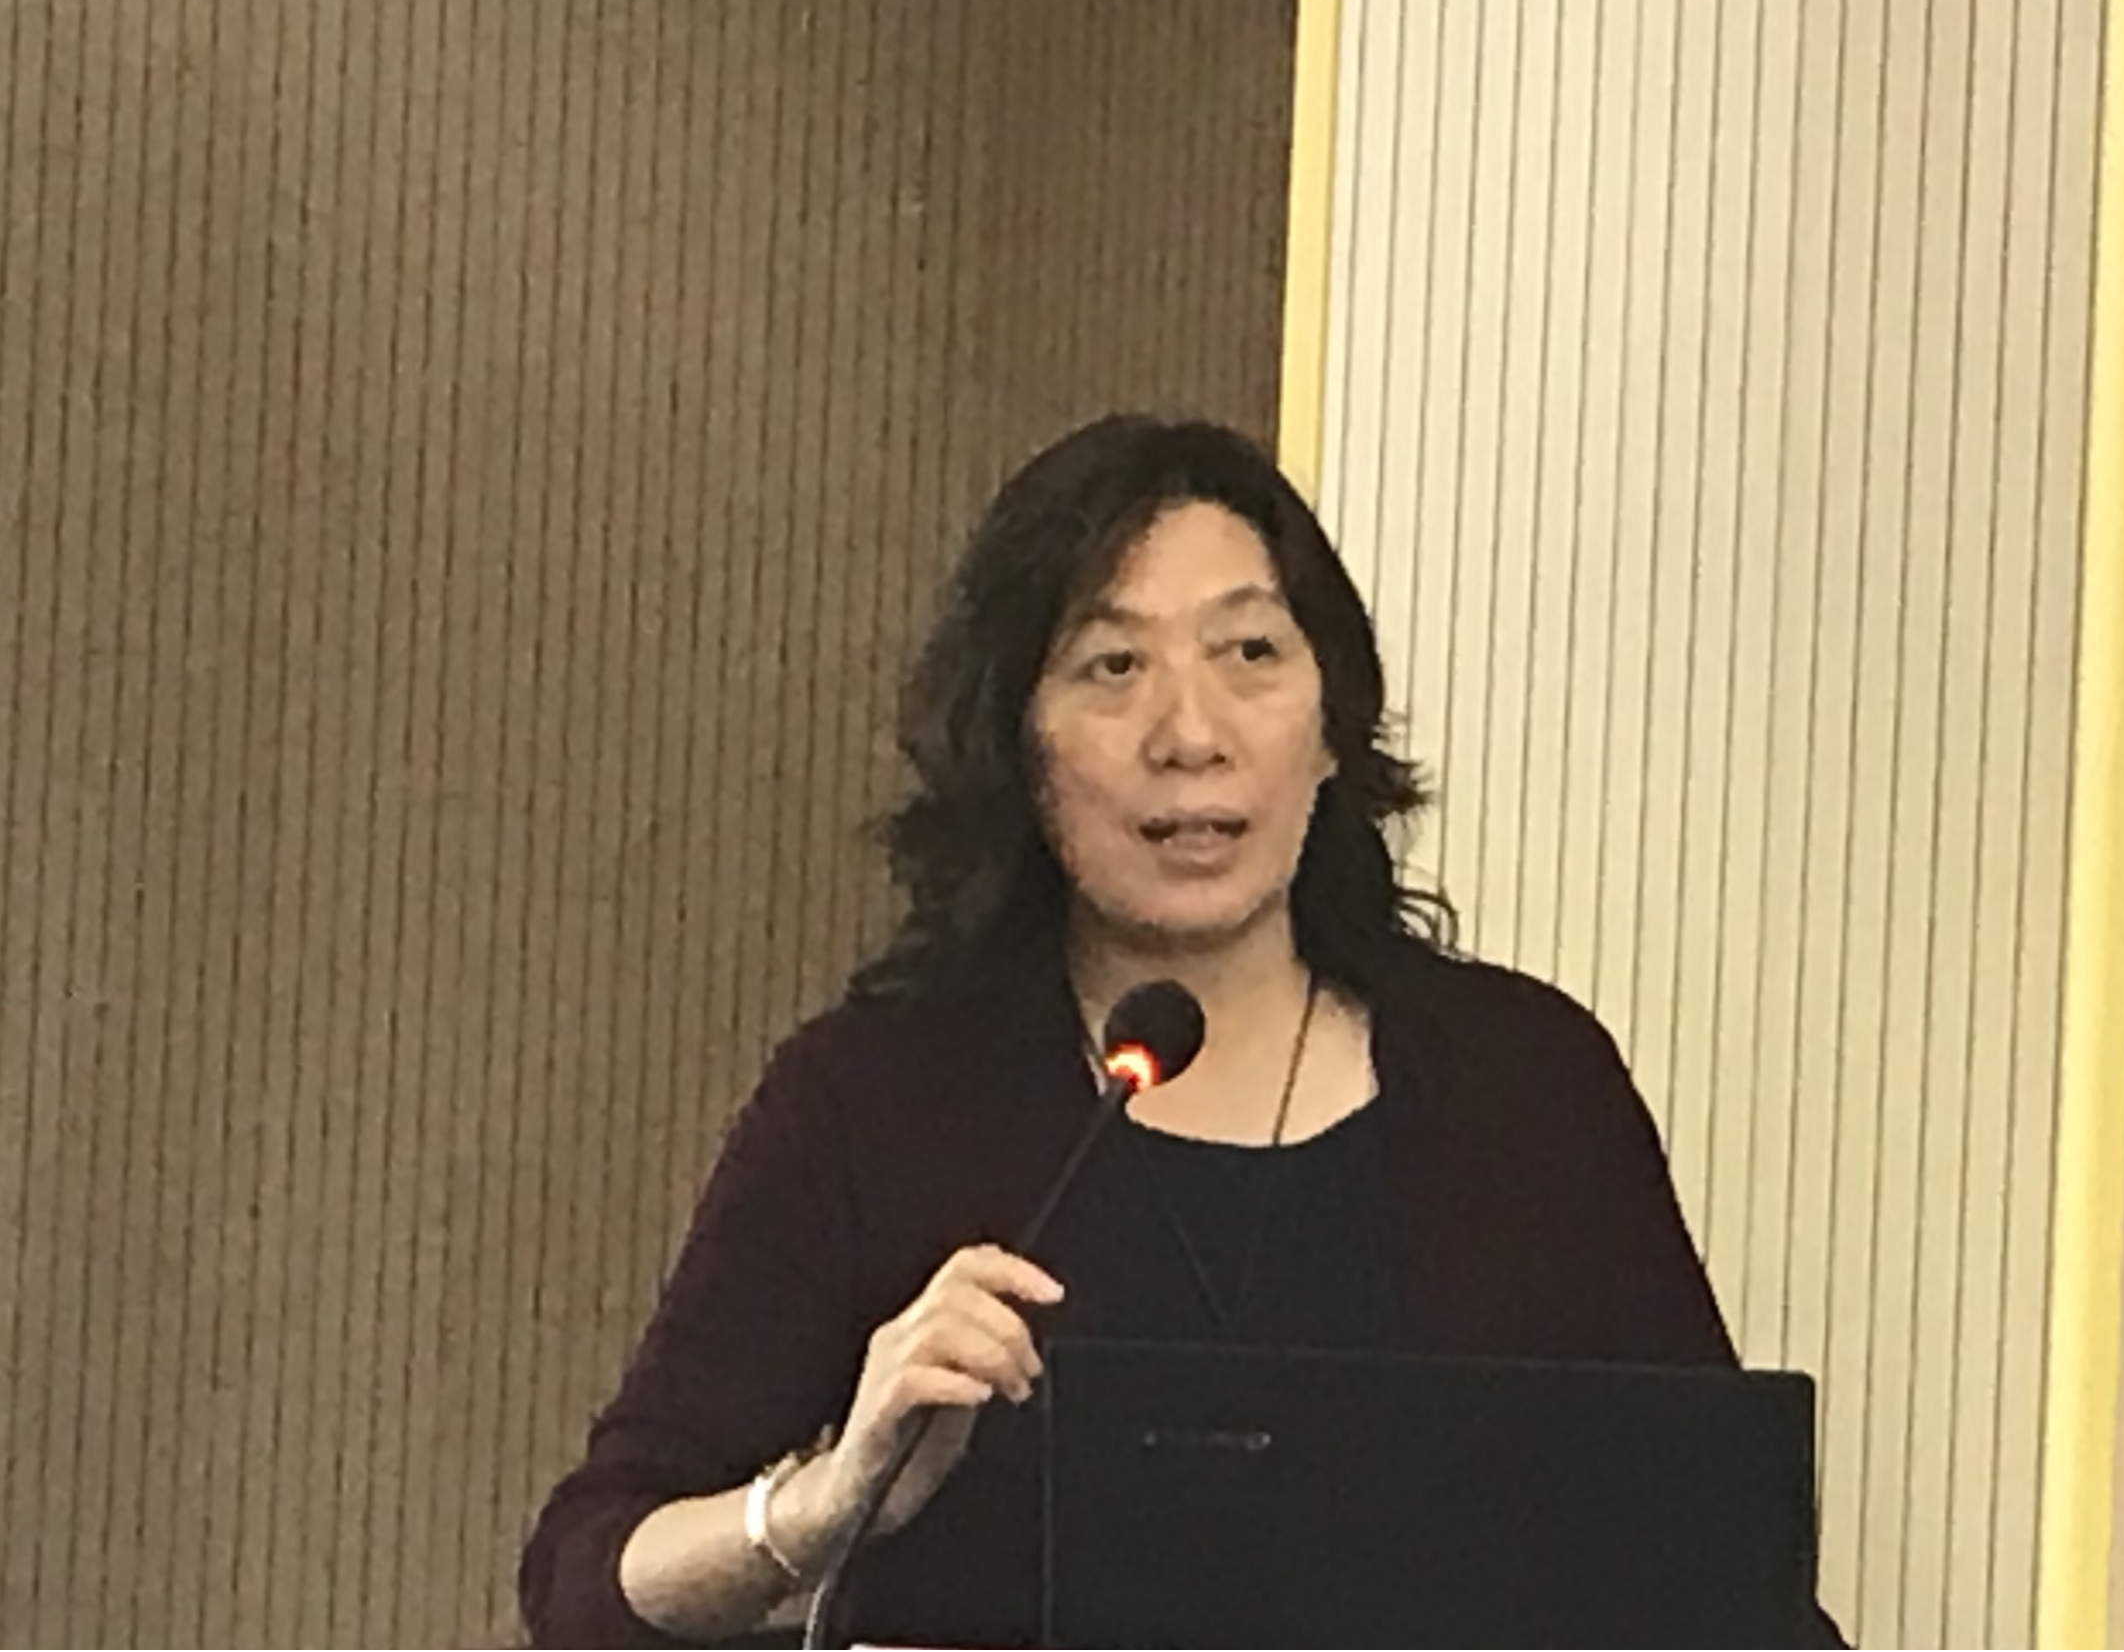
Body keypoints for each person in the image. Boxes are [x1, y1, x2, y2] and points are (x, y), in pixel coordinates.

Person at [519, 413, 1826, 1649]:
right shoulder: (880, 1099)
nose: (1190, 735)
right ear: (1017, 742)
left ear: (1332, 725)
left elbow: (1723, 1568)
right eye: (1114, 665)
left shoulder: (1522, 1085)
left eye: (1249, 653)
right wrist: (823, 1504)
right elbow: (589, 1574)